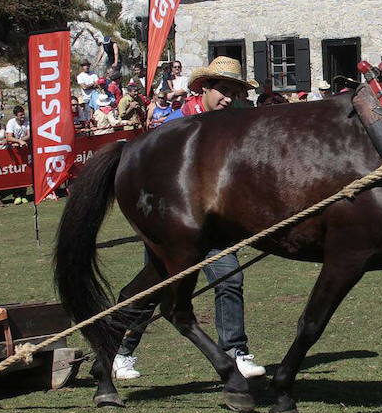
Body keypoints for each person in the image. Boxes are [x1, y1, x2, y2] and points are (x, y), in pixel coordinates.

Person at [112, 57, 267, 382]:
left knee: (228, 279)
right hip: (172, 219)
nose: (228, 98)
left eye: (234, 93)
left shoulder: (233, 125)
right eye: (223, 90)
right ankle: (121, 351)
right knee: (154, 286)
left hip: (216, 222)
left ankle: (234, 352)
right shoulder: (179, 122)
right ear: (205, 89)